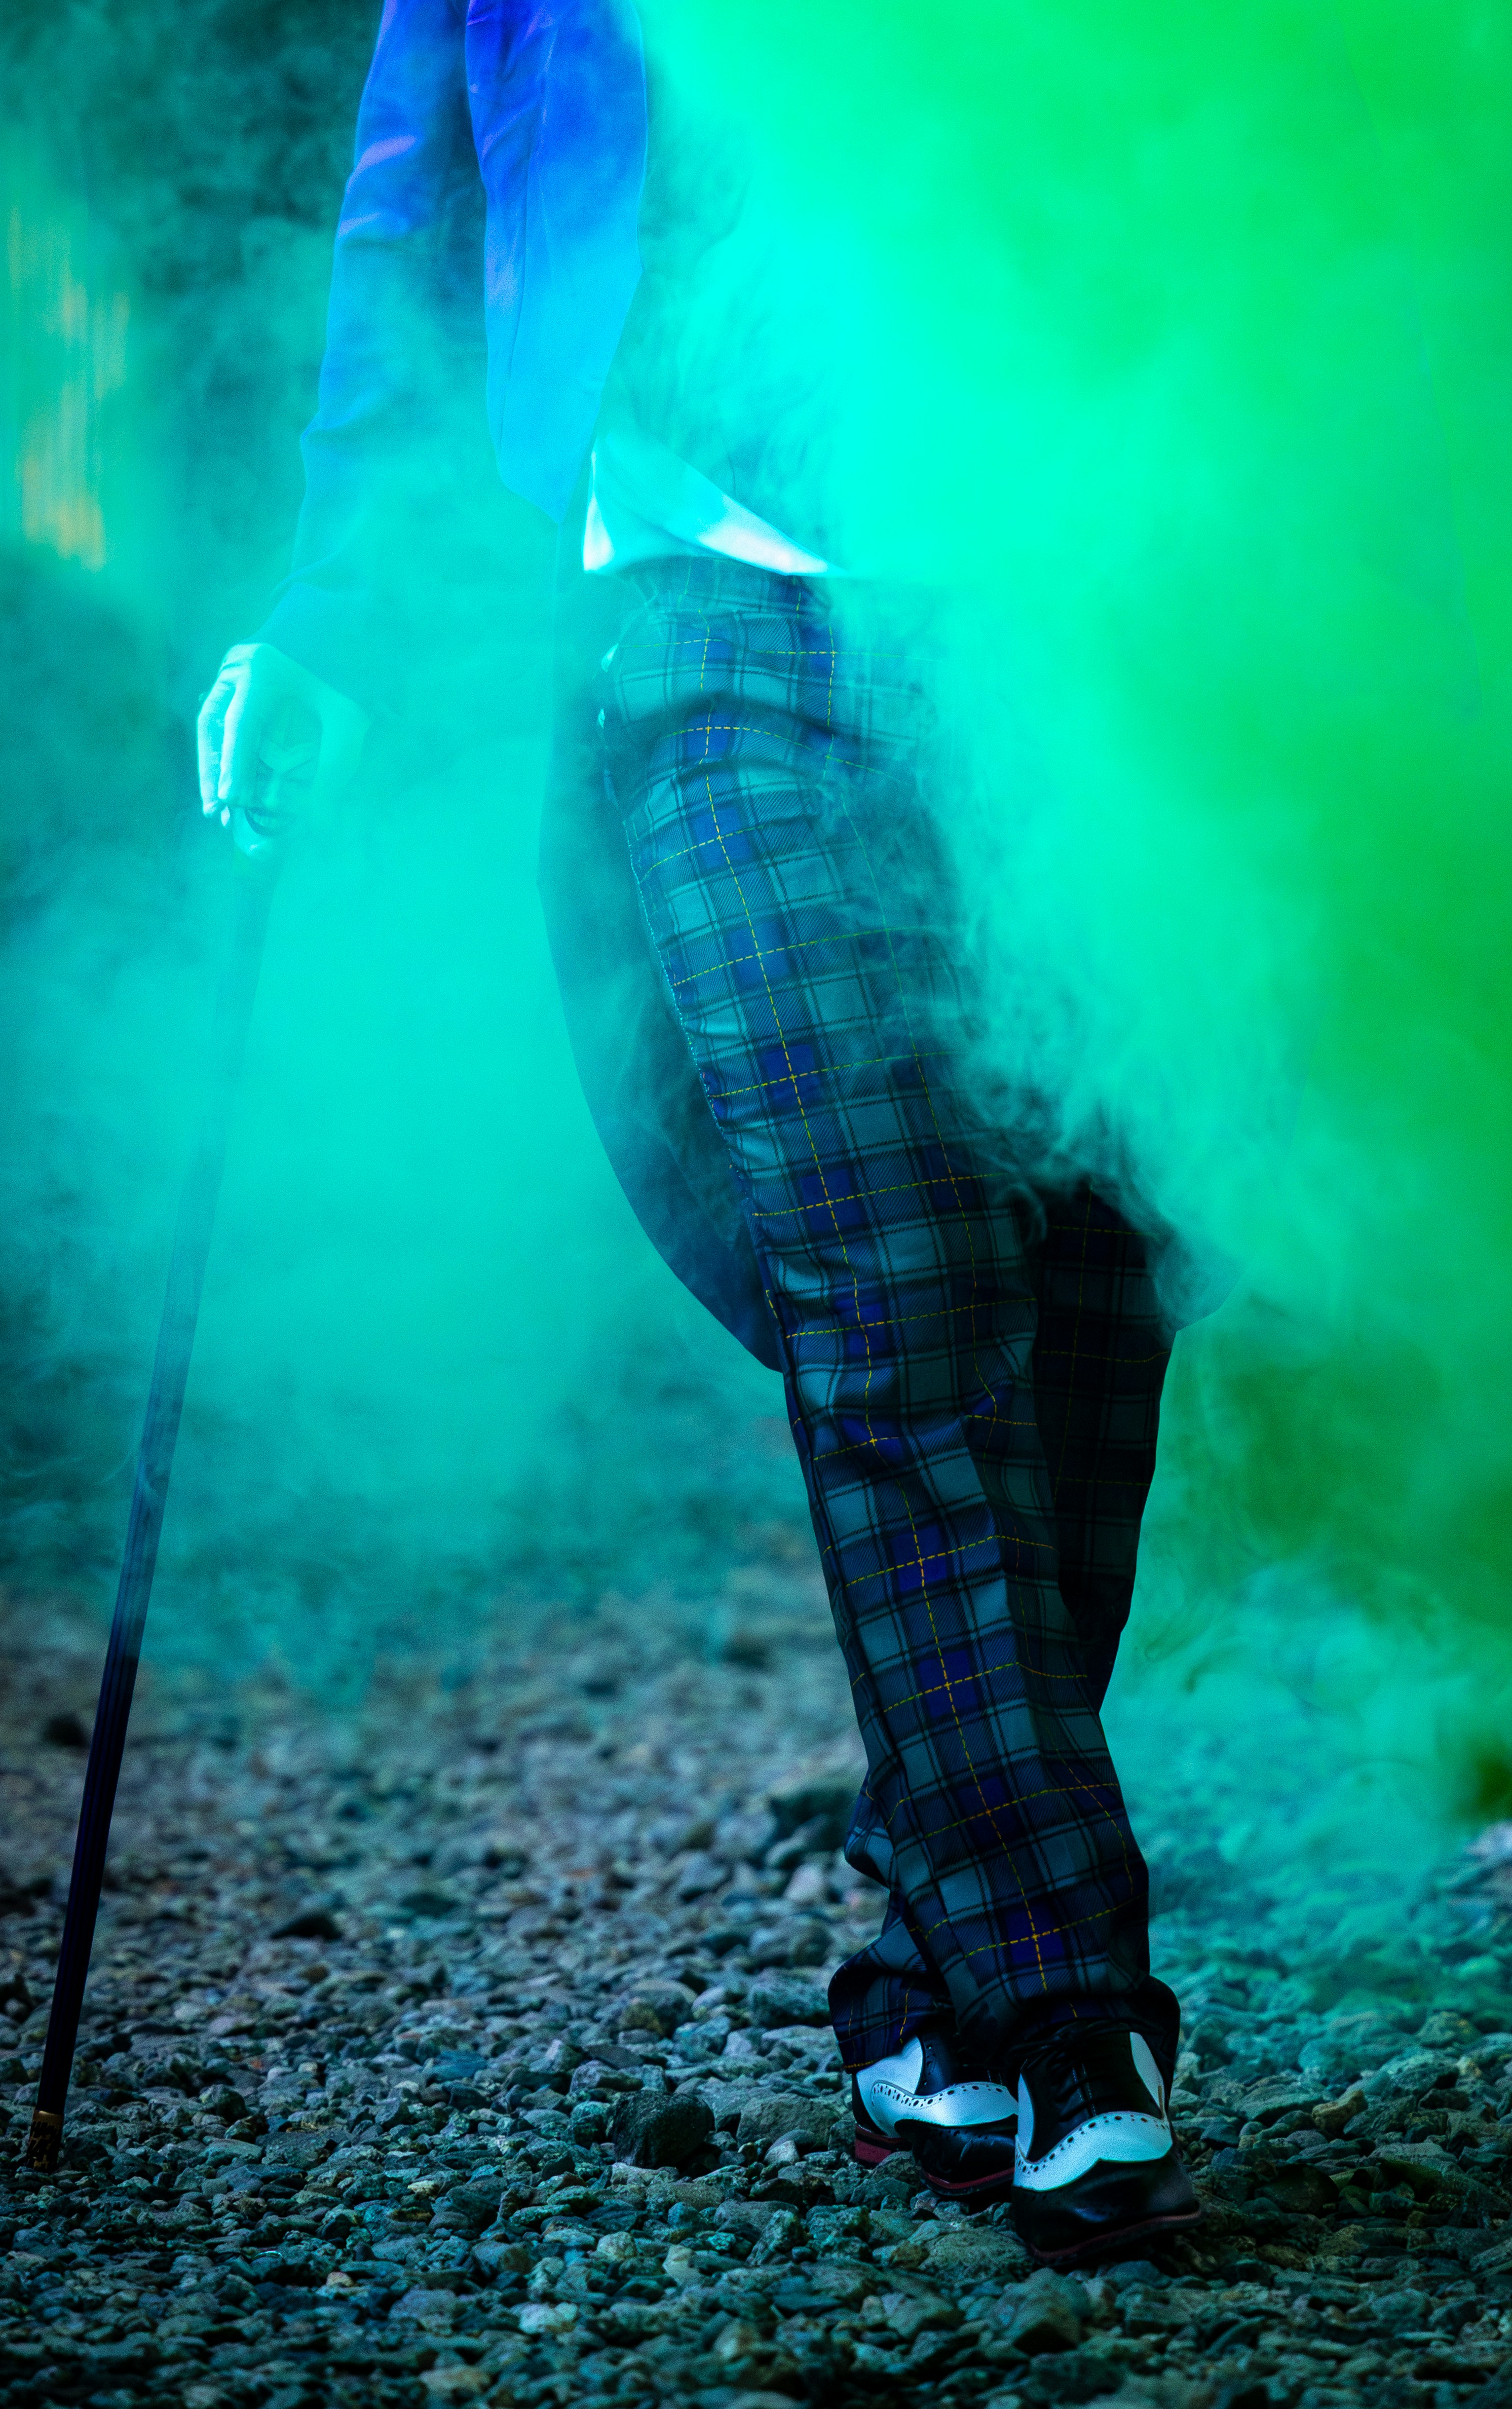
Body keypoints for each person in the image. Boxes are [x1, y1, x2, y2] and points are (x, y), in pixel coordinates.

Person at [196, 0, 1200, 2266]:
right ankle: (1068, 2005)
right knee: (896, 1258)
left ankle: (925, 1960)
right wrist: (333, 619)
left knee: (1089, 1291)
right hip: (700, 613)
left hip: (1098, 607)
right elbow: (412, 229)